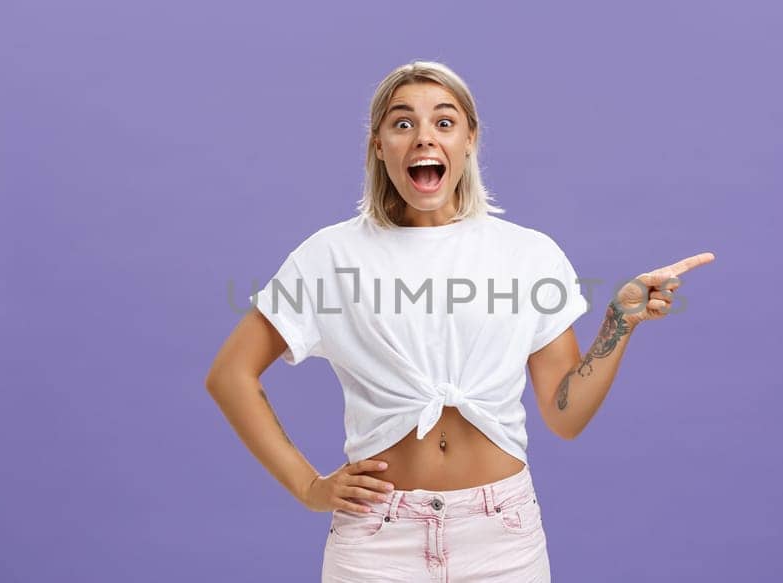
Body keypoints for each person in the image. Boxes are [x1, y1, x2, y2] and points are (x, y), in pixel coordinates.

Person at [205, 60, 714, 582]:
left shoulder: (528, 256)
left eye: (444, 122)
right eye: (402, 124)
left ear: (470, 139)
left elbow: (564, 415)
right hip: (377, 541)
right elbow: (229, 375)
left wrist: (618, 324)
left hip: (502, 538)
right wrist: (309, 486)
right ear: (379, 144)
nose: (424, 137)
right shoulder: (330, 256)